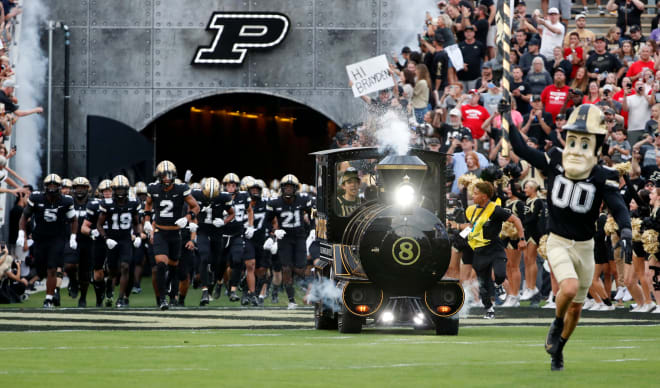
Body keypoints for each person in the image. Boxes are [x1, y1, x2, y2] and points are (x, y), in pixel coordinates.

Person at [509, 104, 632, 371]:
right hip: (558, 240)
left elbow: (618, 206)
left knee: (577, 310)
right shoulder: (556, 159)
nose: (577, 148)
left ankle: (559, 349)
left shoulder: (603, 175)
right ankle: (555, 324)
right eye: (573, 139)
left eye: (584, 141)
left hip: (586, 246)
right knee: (568, 288)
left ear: (597, 144)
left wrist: (626, 229)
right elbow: (522, 151)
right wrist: (507, 122)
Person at [451, 181, 525, 319]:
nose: (473, 196)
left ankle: (499, 285)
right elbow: (472, 226)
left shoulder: (495, 209)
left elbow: (516, 220)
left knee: (500, 273)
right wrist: (458, 228)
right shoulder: (472, 210)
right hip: (479, 250)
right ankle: (489, 309)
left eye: (476, 193)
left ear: (484, 196)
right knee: (483, 282)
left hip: (495, 248)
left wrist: (521, 239)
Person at [142, 161, 200, 310]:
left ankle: (172, 292)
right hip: (160, 232)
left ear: (174, 176)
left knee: (174, 267)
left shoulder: (181, 189)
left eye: (169, 175)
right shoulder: (153, 189)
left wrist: (187, 218)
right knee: (161, 264)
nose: (166, 178)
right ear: (159, 177)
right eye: (163, 175)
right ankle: (162, 299)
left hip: (175, 233)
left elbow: (196, 207)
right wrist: (147, 220)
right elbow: (148, 205)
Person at [16, 174, 78, 308]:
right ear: (45, 186)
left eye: (55, 185)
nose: (52, 188)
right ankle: (52, 289)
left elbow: (73, 219)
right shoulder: (36, 197)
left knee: (52, 268)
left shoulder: (66, 201)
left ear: (59, 187)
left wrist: (73, 237)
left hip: (57, 238)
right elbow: (24, 216)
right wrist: (22, 234)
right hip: (40, 238)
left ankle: (49, 298)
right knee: (41, 270)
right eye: (50, 185)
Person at [267, 174, 313, 309]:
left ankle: (311, 288)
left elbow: (313, 214)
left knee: (301, 268)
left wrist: (312, 229)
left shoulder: (303, 200)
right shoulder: (275, 202)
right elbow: (266, 221)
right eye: (285, 187)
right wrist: (274, 232)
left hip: (299, 237)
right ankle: (291, 300)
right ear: (282, 188)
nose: (288, 190)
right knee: (286, 268)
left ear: (295, 189)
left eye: (290, 187)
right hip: (284, 238)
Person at [96, 175, 141, 308]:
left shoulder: (133, 202)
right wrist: (106, 238)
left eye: (122, 189)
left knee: (125, 267)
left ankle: (120, 298)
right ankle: (110, 282)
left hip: (126, 239)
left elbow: (136, 222)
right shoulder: (107, 204)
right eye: (118, 190)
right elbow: (99, 225)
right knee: (113, 270)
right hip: (112, 239)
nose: (120, 192)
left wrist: (137, 235)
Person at [192, 177, 234, 306]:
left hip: (217, 231)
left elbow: (232, 213)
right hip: (202, 230)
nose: (210, 199)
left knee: (216, 263)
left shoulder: (224, 197)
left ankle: (209, 285)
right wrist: (193, 222)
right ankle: (205, 291)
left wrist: (224, 221)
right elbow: (189, 209)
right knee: (204, 257)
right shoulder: (196, 194)